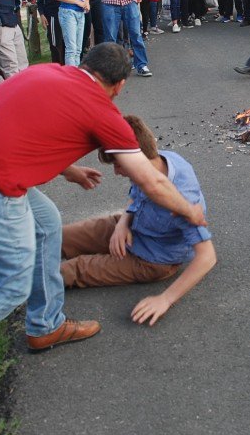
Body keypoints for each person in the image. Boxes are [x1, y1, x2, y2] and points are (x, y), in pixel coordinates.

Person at [0, 43, 207, 420]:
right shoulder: (104, 113)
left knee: (46, 222)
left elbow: (22, 129)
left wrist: (68, 170)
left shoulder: (48, 71)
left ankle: (45, 325)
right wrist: (191, 211)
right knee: (10, 286)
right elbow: (151, 182)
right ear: (119, 85)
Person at [59, 115, 216, 325]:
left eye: (119, 165)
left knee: (74, 269)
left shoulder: (181, 199)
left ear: (137, 157)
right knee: (59, 236)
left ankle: (16, 286)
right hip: (133, 226)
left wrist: (165, 299)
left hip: (151, 260)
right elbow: (137, 192)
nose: (116, 172)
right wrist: (123, 224)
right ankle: (11, 258)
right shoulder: (155, 161)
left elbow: (207, 257)